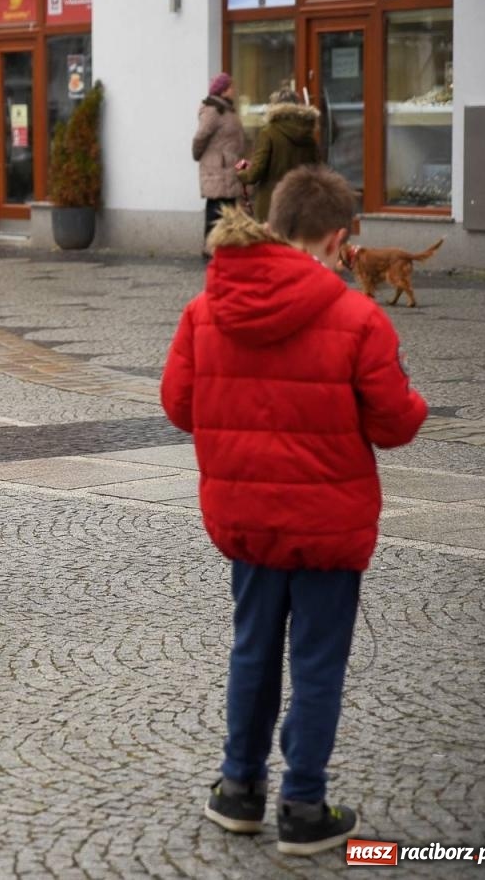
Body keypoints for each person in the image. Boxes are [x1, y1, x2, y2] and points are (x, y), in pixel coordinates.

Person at [160, 167, 427, 857]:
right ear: (339, 238)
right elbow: (396, 424)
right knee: (317, 661)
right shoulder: (358, 318)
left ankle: (239, 789)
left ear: (275, 226)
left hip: (245, 517)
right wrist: (413, 395)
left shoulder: (205, 308)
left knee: (253, 648)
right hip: (327, 524)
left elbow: (179, 407)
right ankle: (304, 805)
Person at [238, 88, 319, 221]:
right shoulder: (308, 136)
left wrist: (240, 173)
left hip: (272, 204)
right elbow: (317, 170)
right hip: (301, 202)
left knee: (272, 241)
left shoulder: (268, 133)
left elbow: (254, 174)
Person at [191, 72, 246, 253]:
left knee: (227, 208)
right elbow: (200, 137)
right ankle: (210, 248)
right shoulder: (213, 111)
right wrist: (198, 155)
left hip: (229, 167)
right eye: (231, 87)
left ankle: (223, 247)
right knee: (216, 209)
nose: (234, 90)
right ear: (223, 90)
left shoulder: (227, 110)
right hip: (217, 169)